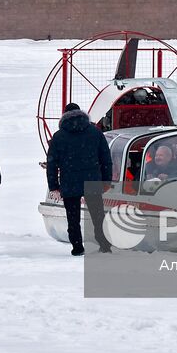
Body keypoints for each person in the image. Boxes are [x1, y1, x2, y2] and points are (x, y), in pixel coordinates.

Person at [46, 103, 113, 256]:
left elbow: (51, 163)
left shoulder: (59, 136)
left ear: (64, 116)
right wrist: (106, 181)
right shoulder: (95, 132)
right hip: (92, 180)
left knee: (73, 217)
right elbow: (106, 159)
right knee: (97, 215)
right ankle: (104, 243)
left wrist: (53, 186)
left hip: (69, 181)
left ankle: (77, 246)